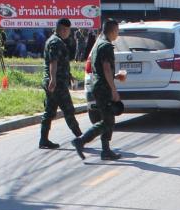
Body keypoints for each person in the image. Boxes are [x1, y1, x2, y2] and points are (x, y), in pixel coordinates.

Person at [75, 18, 125, 161]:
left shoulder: (98, 44)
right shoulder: (106, 46)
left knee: (108, 118)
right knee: (107, 121)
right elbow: (106, 68)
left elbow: (101, 70)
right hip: (103, 88)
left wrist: (116, 76)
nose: (118, 34)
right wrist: (114, 90)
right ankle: (81, 140)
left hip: (99, 85)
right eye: (117, 31)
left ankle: (106, 150)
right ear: (113, 30)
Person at [38, 18, 83, 150]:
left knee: (50, 111)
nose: (69, 33)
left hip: (55, 82)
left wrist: (69, 76)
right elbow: (53, 62)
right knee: (68, 110)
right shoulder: (56, 42)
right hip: (56, 84)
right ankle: (80, 138)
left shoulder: (54, 40)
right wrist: (53, 80)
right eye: (68, 30)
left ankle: (43, 140)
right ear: (63, 29)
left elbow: (60, 63)